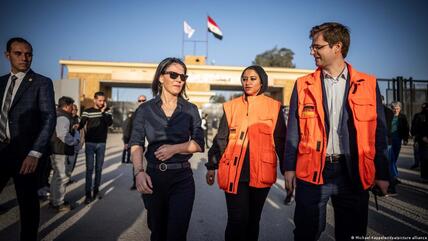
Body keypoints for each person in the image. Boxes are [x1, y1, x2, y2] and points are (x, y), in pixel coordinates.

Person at [283, 23, 390, 241]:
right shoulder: (303, 85)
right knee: (305, 232)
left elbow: (378, 132)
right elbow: (293, 130)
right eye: (312, 47)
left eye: (317, 47)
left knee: (352, 233)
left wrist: (382, 173)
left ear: (337, 47)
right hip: (313, 171)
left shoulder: (368, 84)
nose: (312, 51)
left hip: (353, 172)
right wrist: (289, 168)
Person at [206, 65, 286, 241]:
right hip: (235, 172)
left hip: (262, 173)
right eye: (244, 78)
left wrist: (288, 171)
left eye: (252, 78)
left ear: (262, 81)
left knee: (253, 221)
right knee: (237, 220)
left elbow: (280, 141)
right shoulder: (231, 107)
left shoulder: (274, 107)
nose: (247, 82)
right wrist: (211, 166)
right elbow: (221, 139)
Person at [129, 57, 204, 241]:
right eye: (174, 74)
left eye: (183, 76)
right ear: (161, 78)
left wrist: (175, 149)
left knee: (177, 235)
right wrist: (139, 172)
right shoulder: (145, 110)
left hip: (182, 180)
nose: (179, 79)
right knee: (158, 233)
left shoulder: (190, 109)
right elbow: (136, 144)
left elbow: (199, 143)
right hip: (154, 179)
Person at [0, 37, 56, 241]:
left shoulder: (41, 82)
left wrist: (34, 153)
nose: (24, 58)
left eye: (28, 54)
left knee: (28, 207)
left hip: (26, 156)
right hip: (1, 151)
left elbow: (49, 118)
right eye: (18, 53)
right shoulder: (1, 83)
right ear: (7, 55)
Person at [79, 91, 113, 204]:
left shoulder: (107, 111)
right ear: (95, 100)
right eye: (100, 100)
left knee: (98, 169)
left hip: (102, 144)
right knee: (89, 169)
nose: (102, 102)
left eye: (103, 100)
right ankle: (88, 194)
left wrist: (103, 112)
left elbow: (109, 123)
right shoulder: (87, 111)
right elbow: (81, 124)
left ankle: (96, 191)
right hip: (90, 144)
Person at [50, 96, 79, 212]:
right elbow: (63, 134)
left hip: (56, 149)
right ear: (66, 106)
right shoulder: (63, 117)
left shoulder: (58, 114)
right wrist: (74, 141)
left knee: (56, 176)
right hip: (61, 150)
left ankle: (54, 199)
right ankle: (59, 203)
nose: (73, 109)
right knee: (61, 177)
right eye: (72, 106)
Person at [123, 95, 146, 190]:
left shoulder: (151, 112)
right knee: (136, 165)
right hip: (136, 144)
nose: (141, 102)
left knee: (148, 165)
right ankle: (135, 183)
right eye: (140, 100)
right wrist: (126, 141)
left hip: (148, 144)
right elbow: (128, 128)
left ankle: (147, 184)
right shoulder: (134, 114)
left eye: (143, 100)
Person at [388, 101, 409, 191]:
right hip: (389, 139)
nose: (396, 110)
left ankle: (393, 175)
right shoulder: (389, 115)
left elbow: (406, 128)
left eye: (397, 108)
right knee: (391, 158)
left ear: (400, 108)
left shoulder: (402, 117)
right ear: (392, 108)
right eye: (394, 108)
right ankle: (393, 176)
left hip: (398, 138)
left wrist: (406, 139)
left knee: (395, 157)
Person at [411, 102, 428, 181]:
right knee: (423, 158)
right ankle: (424, 176)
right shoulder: (418, 116)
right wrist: (421, 137)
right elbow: (414, 129)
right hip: (422, 141)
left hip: (422, 140)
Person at [66, 103, 81, 184]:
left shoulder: (79, 119)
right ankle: (64, 179)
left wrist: (81, 143)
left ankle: (68, 178)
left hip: (75, 145)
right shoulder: (66, 118)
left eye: (76, 110)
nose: (74, 111)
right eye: (73, 109)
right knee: (66, 163)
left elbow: (83, 132)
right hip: (66, 144)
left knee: (72, 163)